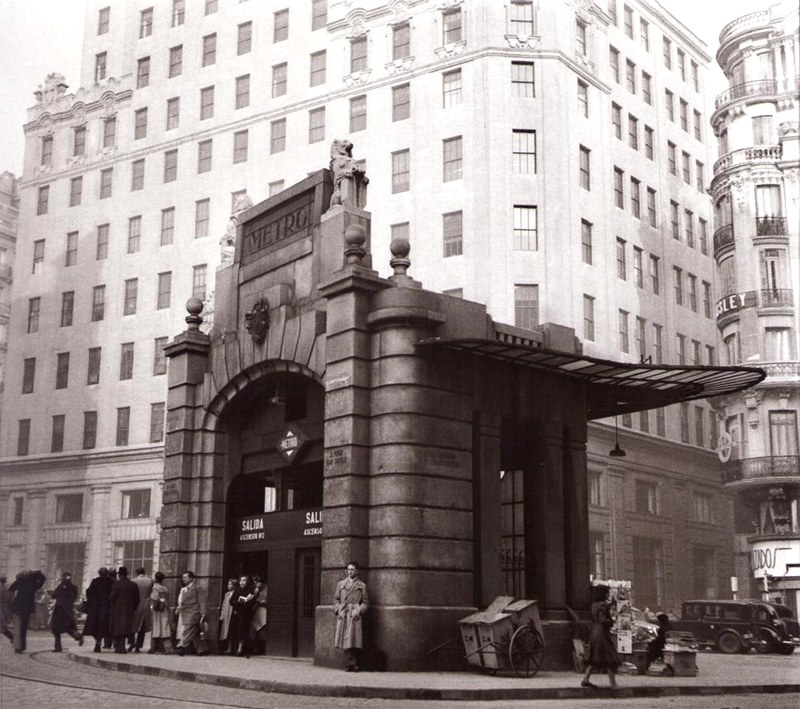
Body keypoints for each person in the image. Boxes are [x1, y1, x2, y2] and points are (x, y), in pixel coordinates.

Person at [582, 584, 620, 689]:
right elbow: (603, 620)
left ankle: (586, 679)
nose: (609, 594)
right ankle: (613, 683)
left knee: (594, 657)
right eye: (607, 592)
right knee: (611, 657)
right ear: (603, 593)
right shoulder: (603, 605)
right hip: (602, 633)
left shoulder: (594, 604)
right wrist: (611, 621)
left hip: (595, 632)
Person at [333, 562, 369, 672]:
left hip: (354, 614)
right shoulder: (341, 584)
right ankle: (349, 664)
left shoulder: (362, 586)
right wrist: (339, 610)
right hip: (344, 614)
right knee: (345, 639)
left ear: (357, 571)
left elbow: (366, 602)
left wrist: (359, 610)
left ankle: (354, 664)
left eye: (352, 569)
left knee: (354, 639)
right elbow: (335, 600)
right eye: (348, 569)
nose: (350, 572)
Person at [9, 569, 46, 653]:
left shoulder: (20, 581)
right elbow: (43, 579)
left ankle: (17, 646)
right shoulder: (33, 584)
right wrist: (38, 572)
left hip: (17, 607)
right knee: (23, 627)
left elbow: (11, 589)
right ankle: (22, 646)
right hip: (27, 608)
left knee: (17, 627)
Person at [175, 571, 208, 656]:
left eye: (185, 577)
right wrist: (180, 609)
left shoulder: (197, 588)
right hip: (187, 613)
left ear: (191, 578)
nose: (184, 579)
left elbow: (202, 601)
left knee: (188, 631)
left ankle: (182, 647)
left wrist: (203, 613)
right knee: (195, 634)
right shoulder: (186, 589)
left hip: (194, 613)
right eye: (183, 577)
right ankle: (202, 649)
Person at [49, 571, 84, 652]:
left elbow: (54, 595)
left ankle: (58, 647)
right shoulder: (74, 588)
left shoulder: (61, 587)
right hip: (68, 610)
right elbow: (74, 598)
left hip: (59, 609)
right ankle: (78, 636)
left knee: (56, 629)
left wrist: (60, 585)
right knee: (68, 628)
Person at [109, 567, 139, 654]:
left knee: (118, 628)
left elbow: (111, 597)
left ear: (119, 575)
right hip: (129, 609)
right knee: (126, 627)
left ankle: (120, 647)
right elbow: (137, 599)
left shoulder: (116, 584)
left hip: (117, 609)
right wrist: (133, 608)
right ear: (127, 574)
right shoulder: (133, 585)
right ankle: (121, 647)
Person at [83, 567, 114, 653]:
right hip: (107, 607)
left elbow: (88, 592)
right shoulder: (111, 582)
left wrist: (92, 601)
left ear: (99, 573)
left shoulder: (95, 581)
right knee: (104, 626)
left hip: (96, 608)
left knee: (94, 626)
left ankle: (98, 641)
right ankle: (103, 642)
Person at [228, 575, 255, 657]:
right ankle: (232, 648)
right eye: (241, 581)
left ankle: (240, 649)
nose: (242, 582)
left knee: (242, 630)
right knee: (234, 630)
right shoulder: (237, 590)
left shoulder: (250, 591)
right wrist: (237, 602)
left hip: (245, 614)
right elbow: (231, 601)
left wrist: (246, 601)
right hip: (236, 612)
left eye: (244, 581)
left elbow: (252, 603)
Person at [129, 567, 153, 653]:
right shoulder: (150, 581)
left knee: (132, 625)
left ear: (136, 573)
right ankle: (138, 646)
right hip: (145, 605)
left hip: (135, 605)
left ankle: (131, 643)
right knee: (142, 627)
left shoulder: (132, 581)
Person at [148, 572, 171, 654]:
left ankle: (154, 648)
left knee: (156, 627)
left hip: (156, 610)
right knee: (165, 627)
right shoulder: (165, 588)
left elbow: (154, 598)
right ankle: (167, 647)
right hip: (164, 608)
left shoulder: (155, 588)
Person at [218, 578, 238, 655]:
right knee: (226, 632)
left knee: (232, 631)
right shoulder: (227, 594)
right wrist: (222, 615)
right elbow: (224, 605)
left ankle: (234, 648)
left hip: (232, 614)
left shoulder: (236, 593)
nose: (228, 586)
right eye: (228, 584)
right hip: (227, 615)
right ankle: (229, 648)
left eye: (230, 584)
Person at [251, 575, 268, 655]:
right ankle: (255, 648)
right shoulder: (254, 590)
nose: (255, 584)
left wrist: (261, 601)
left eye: (257, 582)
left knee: (262, 630)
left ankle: (262, 648)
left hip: (262, 610)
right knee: (254, 630)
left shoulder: (266, 589)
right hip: (255, 610)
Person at [1, 576, 12, 643]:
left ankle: (11, 636)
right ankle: (11, 636)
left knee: (2, 626)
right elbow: (10, 599)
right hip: (5, 608)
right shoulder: (7, 589)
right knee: (2, 626)